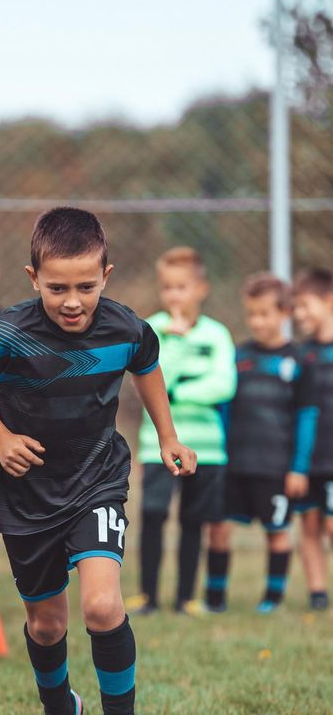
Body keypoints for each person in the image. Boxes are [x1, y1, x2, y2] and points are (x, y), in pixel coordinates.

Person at [0, 207, 196, 715]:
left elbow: (148, 365)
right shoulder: (3, 331)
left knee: (103, 607)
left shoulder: (127, 327)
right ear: (33, 278)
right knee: (47, 625)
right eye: (57, 287)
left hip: (96, 479)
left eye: (86, 285)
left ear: (107, 274)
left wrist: (168, 434)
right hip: (27, 493)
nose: (73, 300)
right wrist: (0, 437)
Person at [204, 273, 318, 613]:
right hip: (234, 463)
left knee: (277, 532)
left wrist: (298, 468)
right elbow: (223, 408)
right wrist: (219, 453)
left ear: (285, 313)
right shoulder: (237, 357)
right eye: (252, 313)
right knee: (219, 529)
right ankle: (214, 598)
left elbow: (307, 418)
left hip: (275, 468)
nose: (257, 321)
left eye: (265, 313)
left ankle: (272, 599)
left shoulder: (299, 361)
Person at [133, 247, 236, 615]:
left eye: (182, 286)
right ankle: (148, 596)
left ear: (201, 288)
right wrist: (174, 343)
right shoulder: (153, 330)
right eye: (167, 287)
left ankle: (185, 598)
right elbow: (151, 379)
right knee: (154, 515)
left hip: (206, 447)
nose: (174, 295)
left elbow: (223, 384)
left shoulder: (217, 334)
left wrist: (175, 393)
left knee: (194, 521)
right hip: (156, 446)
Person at [292, 267, 333, 611]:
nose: (299, 314)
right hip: (310, 459)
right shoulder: (303, 355)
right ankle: (318, 594)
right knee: (309, 525)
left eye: (305, 305)